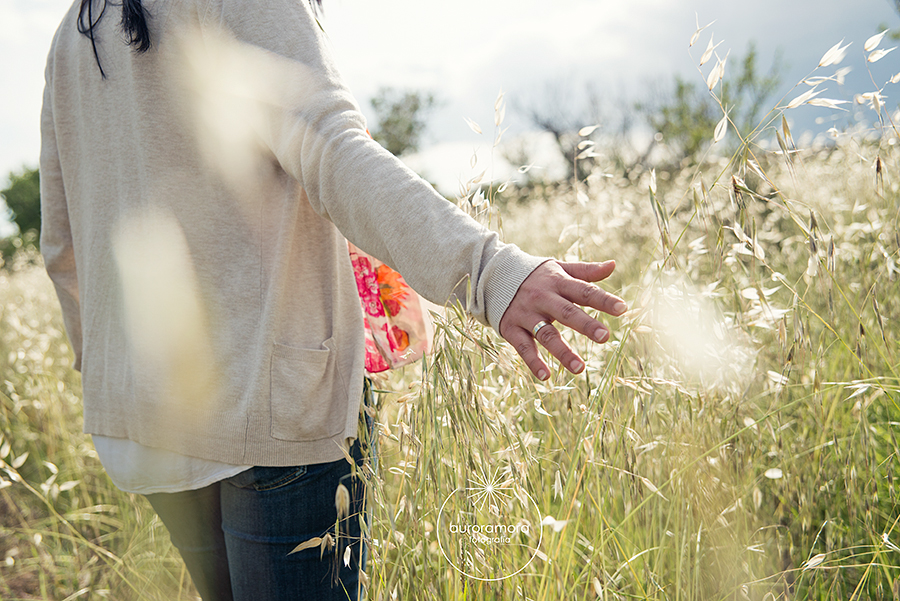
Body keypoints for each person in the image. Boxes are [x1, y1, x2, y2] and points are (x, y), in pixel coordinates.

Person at [39, 0, 627, 599]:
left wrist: (108, 374)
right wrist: (490, 272)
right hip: (269, 404)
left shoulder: (75, 31)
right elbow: (331, 148)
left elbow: (61, 245)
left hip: (142, 421)